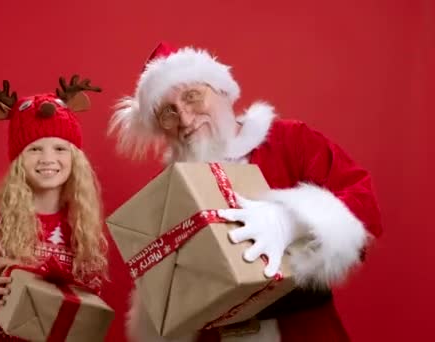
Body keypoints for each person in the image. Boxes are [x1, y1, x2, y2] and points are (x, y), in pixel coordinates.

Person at [108, 42, 383, 342]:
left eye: (192, 97)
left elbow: (362, 204)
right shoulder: (169, 192)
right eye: (168, 113)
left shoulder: (288, 141)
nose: (185, 120)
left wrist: (290, 221)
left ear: (223, 91)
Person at [0, 76, 109, 341]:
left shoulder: (82, 224)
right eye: (35, 149)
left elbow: (88, 306)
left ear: (75, 158)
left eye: (60, 148)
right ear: (18, 159)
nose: (48, 159)